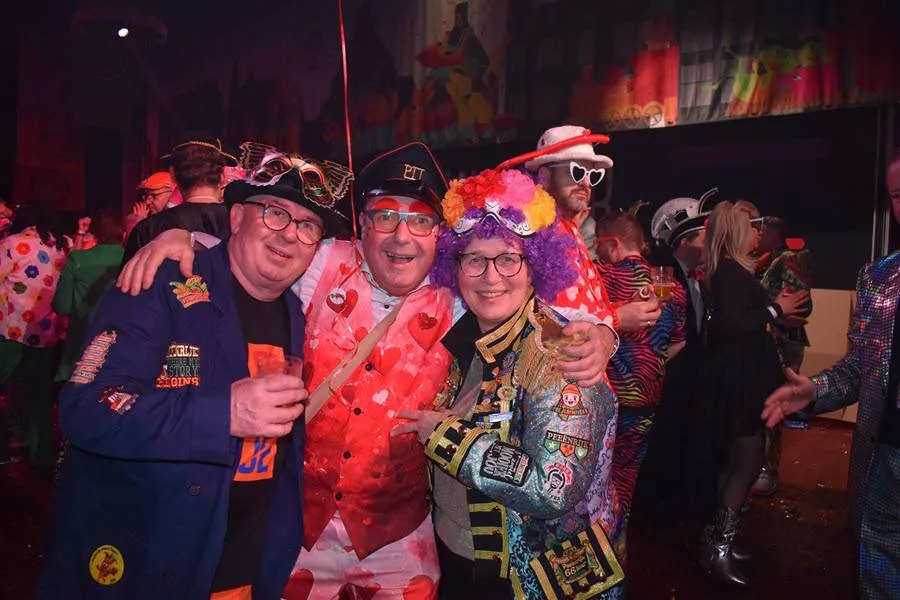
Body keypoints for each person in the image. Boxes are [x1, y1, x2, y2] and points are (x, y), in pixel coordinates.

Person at [115, 143, 617, 599]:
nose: (401, 235)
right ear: (362, 223)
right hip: (298, 531)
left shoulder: (458, 295)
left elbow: (530, 301)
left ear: (439, 237)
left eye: (420, 220)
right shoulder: (320, 263)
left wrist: (600, 333)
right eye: (385, 215)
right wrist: (180, 236)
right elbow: (259, 245)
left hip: (400, 541)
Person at [36, 159, 347, 599]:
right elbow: (86, 408)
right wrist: (224, 415)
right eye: (274, 213)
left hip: (244, 564)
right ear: (235, 218)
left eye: (307, 226)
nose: (289, 234)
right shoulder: (160, 281)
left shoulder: (295, 311)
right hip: (150, 564)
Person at [393, 167, 625, 599]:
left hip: (522, 579)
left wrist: (447, 438)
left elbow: (553, 487)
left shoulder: (560, 354)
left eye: (508, 259)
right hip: (455, 555)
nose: (490, 276)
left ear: (535, 267)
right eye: (474, 259)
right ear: (455, 266)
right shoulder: (464, 334)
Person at [762, 148, 900, 600]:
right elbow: (863, 366)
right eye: (898, 195)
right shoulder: (879, 279)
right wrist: (815, 391)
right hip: (884, 462)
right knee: (879, 575)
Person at [697, 201, 808, 586]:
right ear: (737, 233)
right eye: (753, 226)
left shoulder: (731, 270)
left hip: (744, 376)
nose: (759, 231)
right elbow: (730, 325)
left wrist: (777, 311)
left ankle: (717, 542)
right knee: (746, 460)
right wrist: (775, 310)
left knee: (741, 460)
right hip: (740, 381)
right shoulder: (729, 271)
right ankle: (718, 549)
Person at [594, 207, 687, 552]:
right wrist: (651, 365)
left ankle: (591, 554)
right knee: (625, 477)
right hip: (646, 401)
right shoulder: (672, 288)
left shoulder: (600, 277)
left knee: (591, 479)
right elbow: (679, 342)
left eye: (598, 243)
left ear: (612, 244)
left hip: (603, 400)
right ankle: (617, 549)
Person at [522, 125, 660, 335]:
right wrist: (617, 318)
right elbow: (543, 317)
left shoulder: (568, 227)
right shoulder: (534, 228)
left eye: (593, 175)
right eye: (577, 171)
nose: (586, 183)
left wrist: (628, 307)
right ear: (544, 175)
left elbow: (584, 306)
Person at [629, 192, 712, 527]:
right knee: (662, 452)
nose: (709, 240)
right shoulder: (665, 278)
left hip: (683, 385)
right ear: (685, 241)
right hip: (666, 386)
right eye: (703, 235)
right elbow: (658, 340)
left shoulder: (692, 276)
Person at [0, 202, 68, 470]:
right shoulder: (62, 245)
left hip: (11, 329)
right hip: (45, 332)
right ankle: (42, 458)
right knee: (39, 398)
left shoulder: (13, 243)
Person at [750, 215, 813, 496]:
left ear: (772, 233)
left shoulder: (788, 259)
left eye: (762, 230)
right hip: (768, 337)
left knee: (775, 402)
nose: (758, 235)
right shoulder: (766, 260)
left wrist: (772, 311)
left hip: (783, 341)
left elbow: (801, 305)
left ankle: (768, 469)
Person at [122, 136, 238, 263]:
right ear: (223, 177)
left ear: (172, 175)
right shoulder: (241, 224)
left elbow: (130, 274)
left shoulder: (148, 229)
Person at [52, 209, 127, 383]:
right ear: (123, 234)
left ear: (95, 235)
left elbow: (62, 305)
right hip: (122, 343)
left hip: (82, 343)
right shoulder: (132, 259)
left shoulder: (77, 259)